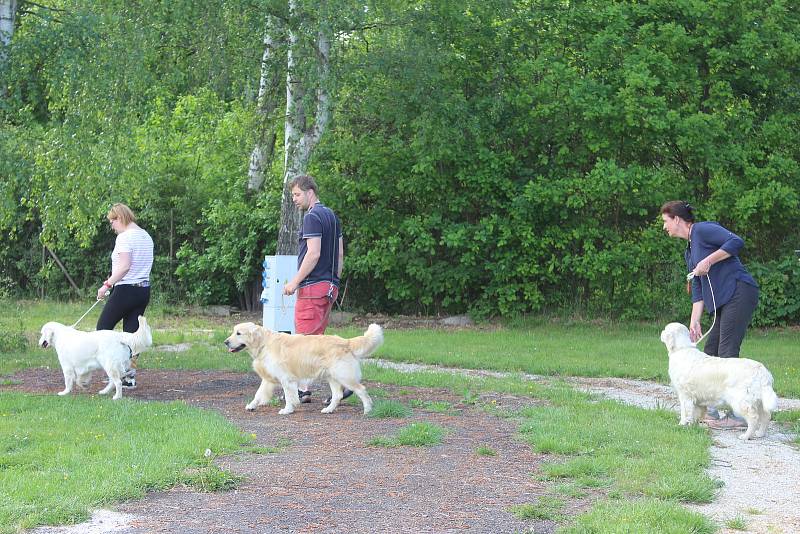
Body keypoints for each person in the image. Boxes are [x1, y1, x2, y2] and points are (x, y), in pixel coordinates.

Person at [660, 200, 759, 428]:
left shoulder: (702, 230)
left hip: (739, 290)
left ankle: (739, 415)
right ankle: (709, 411)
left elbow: (736, 241)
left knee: (726, 351)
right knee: (710, 351)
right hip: (723, 300)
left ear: (677, 219)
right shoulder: (689, 250)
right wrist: (694, 321)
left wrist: (708, 260)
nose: (664, 227)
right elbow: (697, 286)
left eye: (666, 221)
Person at [282, 175, 347, 404]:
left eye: (297, 194)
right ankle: (307, 389)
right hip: (329, 287)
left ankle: (334, 384)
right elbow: (339, 254)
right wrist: (335, 281)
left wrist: (294, 282)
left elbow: (313, 254)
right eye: (292, 195)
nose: (294, 199)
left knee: (303, 343)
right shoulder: (332, 216)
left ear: (310, 192)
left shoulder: (312, 217)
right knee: (316, 341)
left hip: (312, 287)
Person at [96, 203, 154, 389]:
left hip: (125, 290)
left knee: (102, 330)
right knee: (132, 335)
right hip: (143, 290)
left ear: (120, 218)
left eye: (112, 221)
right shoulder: (146, 236)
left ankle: (113, 372)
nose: (112, 226)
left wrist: (107, 285)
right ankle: (128, 377)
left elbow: (125, 266)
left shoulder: (124, 238)